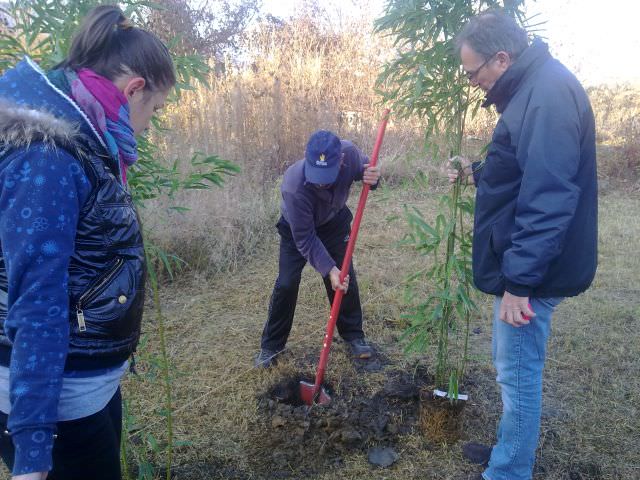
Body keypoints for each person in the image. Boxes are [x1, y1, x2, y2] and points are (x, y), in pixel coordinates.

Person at [0, 5, 175, 479]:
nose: (148, 123)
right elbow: (37, 298)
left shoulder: (83, 133)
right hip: (57, 406)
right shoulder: (47, 155)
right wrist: (34, 451)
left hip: (84, 387)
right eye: (154, 110)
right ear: (133, 89)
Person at [448, 11, 597, 480]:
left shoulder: (546, 97)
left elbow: (548, 198)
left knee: (517, 373)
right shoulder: (532, 90)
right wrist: (476, 172)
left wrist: (519, 284)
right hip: (528, 262)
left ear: (502, 58)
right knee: (512, 369)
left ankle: (509, 470)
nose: (473, 83)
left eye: (474, 72)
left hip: (533, 272)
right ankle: (507, 450)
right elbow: (522, 170)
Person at [255, 130, 381, 368]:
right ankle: (271, 346)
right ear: (307, 158)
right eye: (317, 174)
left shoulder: (350, 154)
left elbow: (367, 170)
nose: (321, 181)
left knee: (345, 279)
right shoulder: (294, 185)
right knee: (286, 283)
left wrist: (373, 177)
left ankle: (353, 335)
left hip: (334, 223)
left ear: (341, 160)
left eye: (327, 174)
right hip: (297, 231)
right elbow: (305, 238)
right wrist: (328, 268)